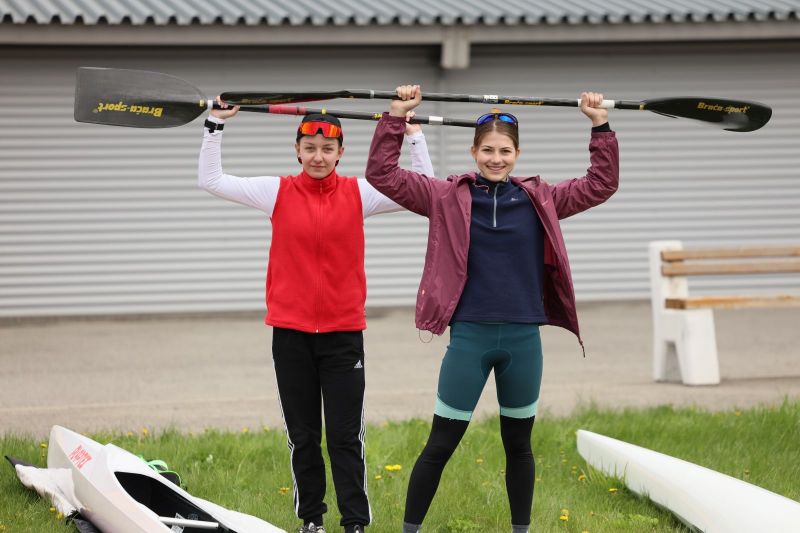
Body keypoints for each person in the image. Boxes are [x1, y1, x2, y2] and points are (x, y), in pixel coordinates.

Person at [365, 85, 619, 533]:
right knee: (440, 444)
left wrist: (600, 126)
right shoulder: (446, 196)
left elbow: (601, 184)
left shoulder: (541, 199)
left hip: (524, 341)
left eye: (504, 151)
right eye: (487, 150)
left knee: (519, 446)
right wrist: (395, 117)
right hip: (470, 338)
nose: (495, 159)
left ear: (517, 154)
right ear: (473, 152)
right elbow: (382, 175)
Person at [198, 99, 435, 533]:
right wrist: (215, 124)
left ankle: (354, 523)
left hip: (343, 336)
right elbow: (211, 180)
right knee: (303, 435)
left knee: (345, 437)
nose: (318, 157)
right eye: (309, 148)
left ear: (341, 152)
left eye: (327, 149)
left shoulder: (361, 193)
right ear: (297, 150)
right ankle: (311, 520)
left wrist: (413, 133)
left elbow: (423, 189)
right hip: (291, 335)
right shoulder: (277, 191)